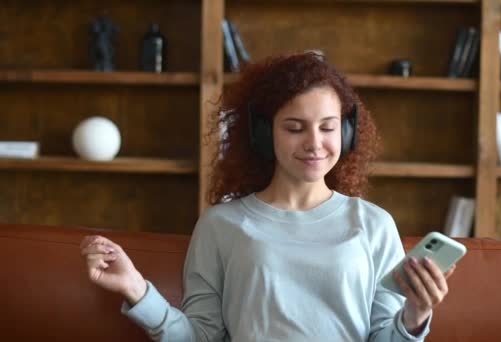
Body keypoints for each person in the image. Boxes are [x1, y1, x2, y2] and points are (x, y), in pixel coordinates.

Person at [80, 51, 456, 341]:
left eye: (328, 127)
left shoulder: (373, 224)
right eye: (295, 128)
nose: (315, 144)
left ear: (347, 132)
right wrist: (136, 289)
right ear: (262, 134)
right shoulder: (221, 224)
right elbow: (199, 337)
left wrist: (416, 313)